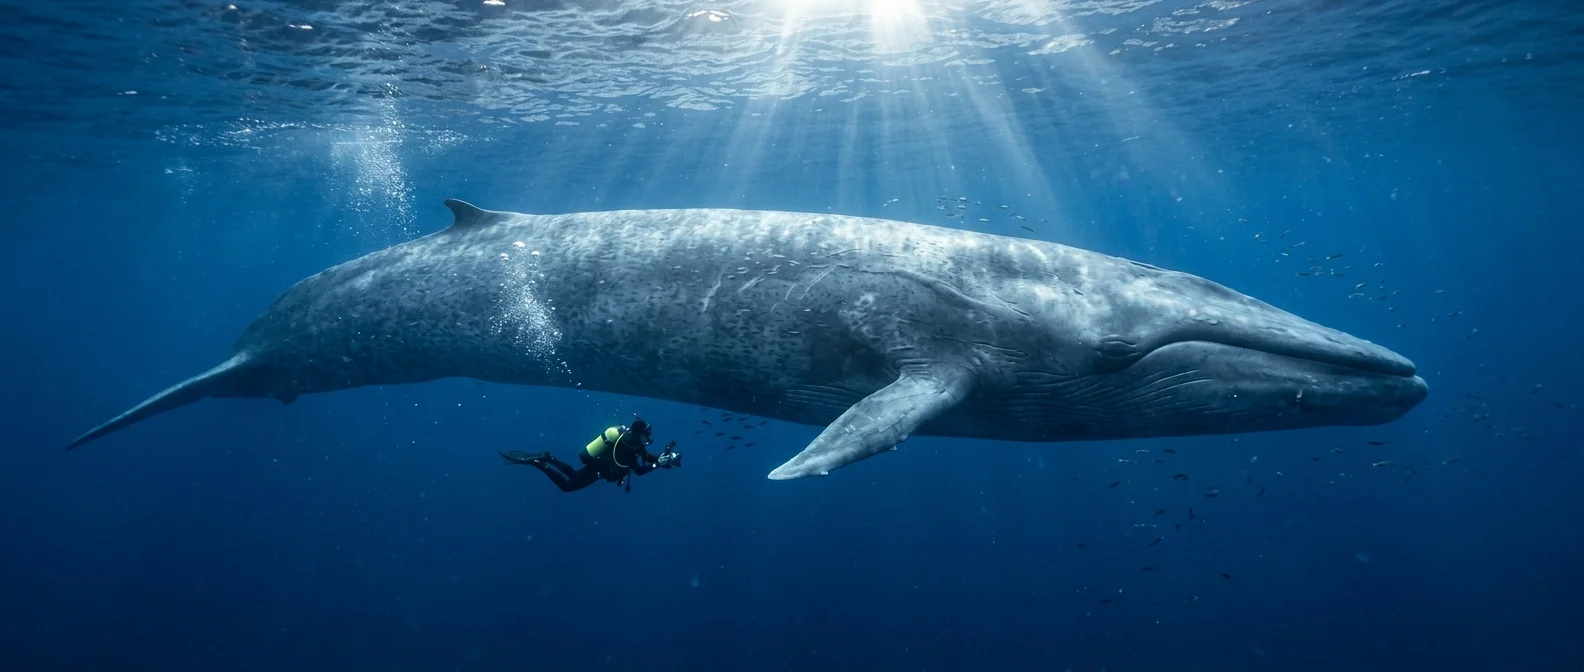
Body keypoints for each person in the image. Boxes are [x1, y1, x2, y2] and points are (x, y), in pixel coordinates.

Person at [501, 416, 681, 493]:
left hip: (597, 465)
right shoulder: (631, 449)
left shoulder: (630, 441)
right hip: (599, 471)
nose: (648, 437)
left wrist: (662, 460)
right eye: (646, 434)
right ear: (640, 433)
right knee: (567, 487)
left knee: (573, 474)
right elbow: (640, 470)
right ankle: (539, 462)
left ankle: (548, 458)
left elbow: (647, 457)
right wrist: (657, 464)